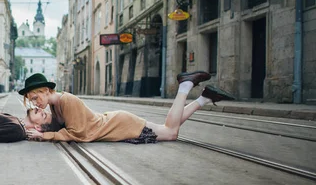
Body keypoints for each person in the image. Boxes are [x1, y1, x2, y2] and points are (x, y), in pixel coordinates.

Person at [21, 72, 235, 143]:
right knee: (169, 129)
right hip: (118, 123)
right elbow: (62, 127)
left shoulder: (67, 101)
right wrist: (39, 127)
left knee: (170, 133)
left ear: (47, 90)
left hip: (120, 125)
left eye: (36, 96)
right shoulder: (57, 106)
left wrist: (49, 137)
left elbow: (80, 134)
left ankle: (186, 86)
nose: (35, 102)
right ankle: (204, 98)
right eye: (32, 100)